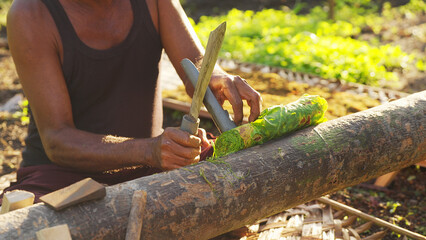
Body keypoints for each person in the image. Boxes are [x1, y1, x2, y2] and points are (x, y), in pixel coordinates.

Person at [1, 0, 261, 203]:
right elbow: (58, 140)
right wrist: (149, 150)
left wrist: (215, 77)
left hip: (155, 166)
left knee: (240, 178)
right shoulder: (31, 14)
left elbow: (196, 65)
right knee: (35, 226)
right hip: (62, 177)